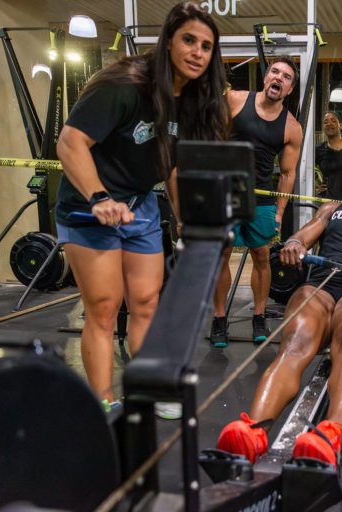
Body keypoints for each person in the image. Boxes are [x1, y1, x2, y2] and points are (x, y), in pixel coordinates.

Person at [54, 2, 229, 410]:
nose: (197, 52)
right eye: (189, 40)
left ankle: (148, 390)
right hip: (89, 205)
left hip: (140, 206)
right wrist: (99, 198)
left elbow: (170, 164)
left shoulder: (191, 100)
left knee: (147, 302)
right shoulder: (124, 84)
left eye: (206, 46)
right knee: (103, 306)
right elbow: (70, 143)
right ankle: (104, 403)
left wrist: (186, 217)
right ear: (168, 40)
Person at [216, 152, 342, 467]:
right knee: (293, 346)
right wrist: (295, 244)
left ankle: (328, 437)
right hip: (322, 285)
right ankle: (252, 431)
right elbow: (304, 235)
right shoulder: (331, 208)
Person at [210, 57, 303, 346]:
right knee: (222, 253)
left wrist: (279, 212)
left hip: (261, 195)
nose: (279, 78)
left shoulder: (291, 127)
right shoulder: (235, 100)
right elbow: (214, 140)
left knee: (262, 256)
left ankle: (259, 316)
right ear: (265, 77)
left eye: (286, 76)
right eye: (274, 71)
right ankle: (219, 318)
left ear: (289, 89)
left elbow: (287, 174)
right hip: (228, 191)